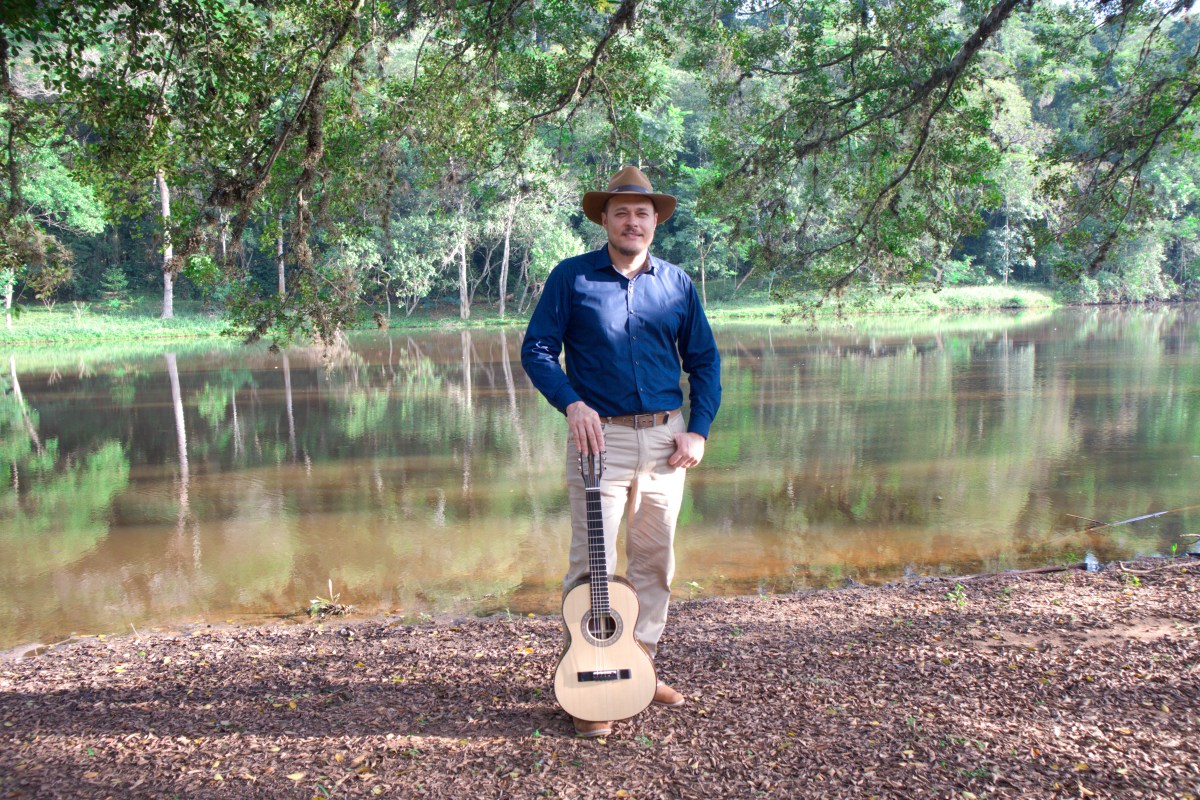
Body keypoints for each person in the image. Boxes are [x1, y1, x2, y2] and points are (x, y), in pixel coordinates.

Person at [521, 165, 722, 738]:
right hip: (598, 441)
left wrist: (699, 429)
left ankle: (640, 665)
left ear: (655, 222)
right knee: (592, 566)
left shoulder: (677, 284)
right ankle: (589, 677)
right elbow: (537, 350)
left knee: (655, 561)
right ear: (605, 220)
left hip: (665, 443)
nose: (632, 222)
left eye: (642, 213)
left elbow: (704, 362)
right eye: (622, 213)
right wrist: (572, 403)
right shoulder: (572, 278)